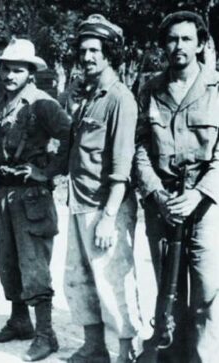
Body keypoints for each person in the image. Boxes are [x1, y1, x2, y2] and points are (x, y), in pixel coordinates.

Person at [0, 38, 71, 362]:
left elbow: (70, 135)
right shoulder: (3, 104)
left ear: (30, 73)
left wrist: (48, 172)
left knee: (34, 267)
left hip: (32, 196)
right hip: (5, 196)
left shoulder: (42, 104)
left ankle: (47, 334)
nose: (9, 75)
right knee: (8, 263)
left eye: (17, 70)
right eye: (6, 69)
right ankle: (20, 321)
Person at [134, 11, 219, 363]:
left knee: (206, 292)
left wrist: (198, 194)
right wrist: (155, 192)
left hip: (204, 204)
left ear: (200, 44)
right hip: (163, 202)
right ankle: (170, 353)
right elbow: (139, 148)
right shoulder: (150, 88)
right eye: (171, 39)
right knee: (167, 287)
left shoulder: (216, 88)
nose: (178, 46)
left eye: (186, 39)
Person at [65, 14, 142, 363]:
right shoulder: (88, 97)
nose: (88, 57)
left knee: (113, 284)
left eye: (95, 50)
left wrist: (109, 216)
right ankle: (94, 348)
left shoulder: (119, 99)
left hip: (105, 207)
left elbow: (122, 168)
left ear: (110, 53)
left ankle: (126, 352)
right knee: (79, 280)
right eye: (83, 50)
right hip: (79, 203)